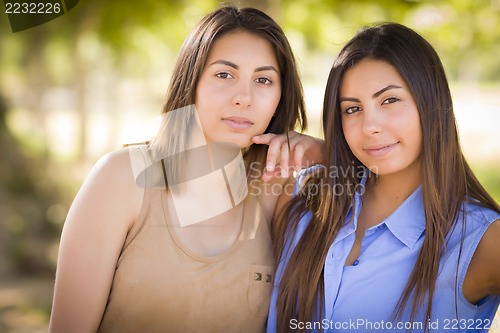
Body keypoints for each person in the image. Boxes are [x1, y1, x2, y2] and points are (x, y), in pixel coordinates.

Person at [49, 6, 324, 333]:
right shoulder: (121, 179)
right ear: (191, 79)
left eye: (263, 79)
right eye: (224, 74)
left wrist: (326, 154)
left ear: (280, 96)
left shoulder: (274, 189)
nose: (244, 97)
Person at [268, 22, 500, 333]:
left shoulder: (477, 240)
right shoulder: (302, 201)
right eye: (352, 109)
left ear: (431, 103)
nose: (369, 127)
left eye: (389, 100)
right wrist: (334, 155)